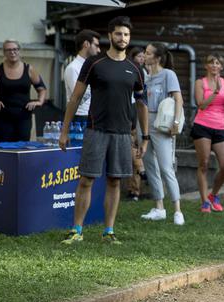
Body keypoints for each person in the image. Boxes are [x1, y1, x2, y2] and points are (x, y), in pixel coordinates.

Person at [59, 16, 148, 244]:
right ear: (110, 36)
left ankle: (109, 231)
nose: (122, 38)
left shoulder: (134, 68)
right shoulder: (94, 63)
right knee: (86, 180)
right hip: (96, 130)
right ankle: (76, 230)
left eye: (126, 34)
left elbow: (141, 103)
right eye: (118, 33)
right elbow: (76, 97)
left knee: (115, 181)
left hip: (122, 133)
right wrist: (64, 130)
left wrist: (144, 136)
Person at [139, 42, 185, 225]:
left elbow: (178, 99)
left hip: (161, 124)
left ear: (157, 58)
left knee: (166, 167)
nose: (144, 55)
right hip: (143, 123)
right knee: (150, 165)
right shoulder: (144, 76)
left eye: (148, 53)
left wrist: (175, 122)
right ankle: (159, 208)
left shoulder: (168, 74)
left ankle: (177, 210)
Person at [192, 54, 224, 213]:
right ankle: (204, 202)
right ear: (206, 66)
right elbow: (201, 105)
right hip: (202, 126)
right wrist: (216, 92)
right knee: (203, 164)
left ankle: (213, 195)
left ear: (221, 67)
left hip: (220, 127)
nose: (214, 65)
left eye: (218, 63)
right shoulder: (200, 82)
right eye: (211, 62)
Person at [0, 40, 47, 142]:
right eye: (8, 50)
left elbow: (42, 89)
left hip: (24, 117)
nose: (12, 52)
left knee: (22, 148)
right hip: (3, 118)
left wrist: (39, 102)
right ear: (4, 52)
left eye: (15, 49)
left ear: (19, 51)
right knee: (4, 150)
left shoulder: (29, 69)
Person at [64, 29, 101, 124]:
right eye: (96, 45)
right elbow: (77, 98)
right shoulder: (72, 67)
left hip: (93, 116)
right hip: (80, 117)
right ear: (86, 44)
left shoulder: (92, 66)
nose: (99, 50)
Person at [127, 47, 148, 201]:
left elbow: (141, 99)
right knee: (131, 147)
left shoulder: (142, 72)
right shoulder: (129, 69)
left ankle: (135, 190)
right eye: (139, 56)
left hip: (134, 112)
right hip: (127, 112)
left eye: (143, 56)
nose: (142, 59)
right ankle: (141, 170)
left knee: (132, 145)